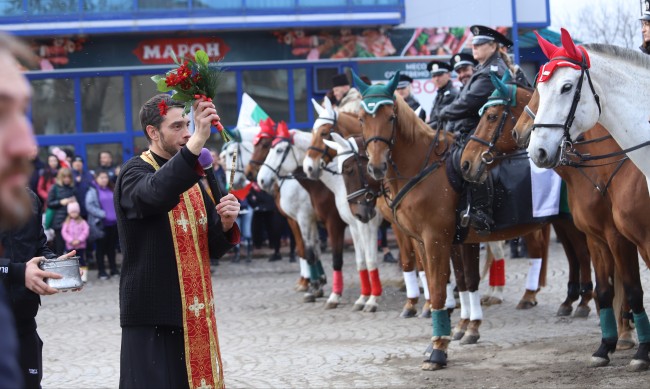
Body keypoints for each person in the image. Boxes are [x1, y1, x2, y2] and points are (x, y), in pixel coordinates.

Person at [116, 93, 240, 389]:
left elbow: (213, 247)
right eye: (177, 127)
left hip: (193, 313)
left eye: (188, 124)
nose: (186, 132)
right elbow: (156, 194)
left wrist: (225, 222)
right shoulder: (134, 172)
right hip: (152, 317)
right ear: (152, 132)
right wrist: (198, 141)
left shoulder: (195, 179)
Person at [0, 31, 54, 388]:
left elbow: (36, 245)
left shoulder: (27, 198)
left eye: (22, 112)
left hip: (20, 322)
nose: (27, 142)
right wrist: (17, 271)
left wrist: (53, 266)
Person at [439, 25, 509, 234]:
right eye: (473, 43)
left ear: (493, 46)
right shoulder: (483, 69)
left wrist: (444, 113)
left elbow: (469, 102)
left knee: (470, 158)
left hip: (493, 129)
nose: (474, 47)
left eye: (479, 44)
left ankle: (481, 211)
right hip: (480, 126)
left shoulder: (492, 71)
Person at [85, 171, 119, 280]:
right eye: (101, 177)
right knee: (100, 249)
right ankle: (102, 271)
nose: (104, 179)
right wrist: (103, 214)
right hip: (100, 225)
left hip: (113, 224)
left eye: (106, 177)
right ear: (96, 179)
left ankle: (113, 269)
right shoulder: (93, 191)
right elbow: (89, 206)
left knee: (111, 248)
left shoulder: (112, 188)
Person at [47, 168, 77, 255]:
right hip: (58, 220)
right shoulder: (54, 188)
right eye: (64, 177)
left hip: (71, 219)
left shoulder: (72, 188)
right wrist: (60, 202)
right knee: (59, 246)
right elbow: (49, 203)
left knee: (71, 246)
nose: (67, 179)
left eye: (68, 177)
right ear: (60, 178)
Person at [60, 202, 89, 282]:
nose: (74, 214)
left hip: (80, 246)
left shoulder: (82, 222)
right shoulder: (66, 223)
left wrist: (79, 239)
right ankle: (72, 276)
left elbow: (85, 231)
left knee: (82, 260)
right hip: (70, 246)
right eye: (72, 212)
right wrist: (71, 240)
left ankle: (83, 276)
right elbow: (64, 232)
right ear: (69, 213)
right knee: (71, 261)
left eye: (75, 212)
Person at [426, 60, 459, 130]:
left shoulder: (452, 94)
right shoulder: (440, 93)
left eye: (440, 74)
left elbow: (440, 120)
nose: (437, 79)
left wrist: (424, 128)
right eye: (434, 76)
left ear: (449, 75)